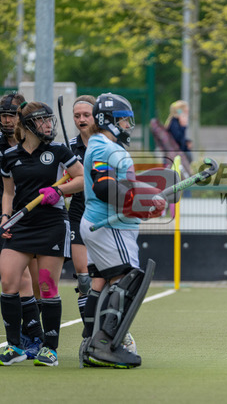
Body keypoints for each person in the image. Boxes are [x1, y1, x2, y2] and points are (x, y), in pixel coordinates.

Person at [79, 93, 164, 368]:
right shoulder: (106, 148)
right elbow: (105, 187)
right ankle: (105, 345)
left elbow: (118, 187)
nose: (128, 126)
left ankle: (90, 343)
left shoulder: (101, 145)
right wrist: (142, 202)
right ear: (109, 121)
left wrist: (144, 201)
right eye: (124, 121)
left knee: (101, 283)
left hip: (100, 223)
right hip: (108, 225)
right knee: (127, 280)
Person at [0, 101, 84, 366]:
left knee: (47, 288)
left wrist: (58, 191)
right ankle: (15, 346)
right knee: (8, 282)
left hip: (51, 225)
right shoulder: (10, 155)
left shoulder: (59, 151)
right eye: (42, 120)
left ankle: (50, 348)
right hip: (21, 226)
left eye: (50, 120)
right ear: (27, 126)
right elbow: (8, 193)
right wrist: (5, 218)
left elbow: (82, 179)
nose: (49, 125)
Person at [0, 93, 45, 360]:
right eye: (3, 115)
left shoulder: (36, 143)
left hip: (35, 217)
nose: (7, 120)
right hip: (8, 216)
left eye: (12, 115)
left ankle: (35, 334)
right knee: (15, 277)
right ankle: (27, 337)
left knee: (38, 280)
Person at [68, 95, 96, 324]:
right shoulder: (68, 148)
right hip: (78, 213)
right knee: (84, 279)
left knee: (105, 278)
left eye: (86, 115)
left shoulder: (109, 145)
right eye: (77, 116)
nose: (81, 119)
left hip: (104, 215)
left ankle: (109, 329)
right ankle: (89, 332)